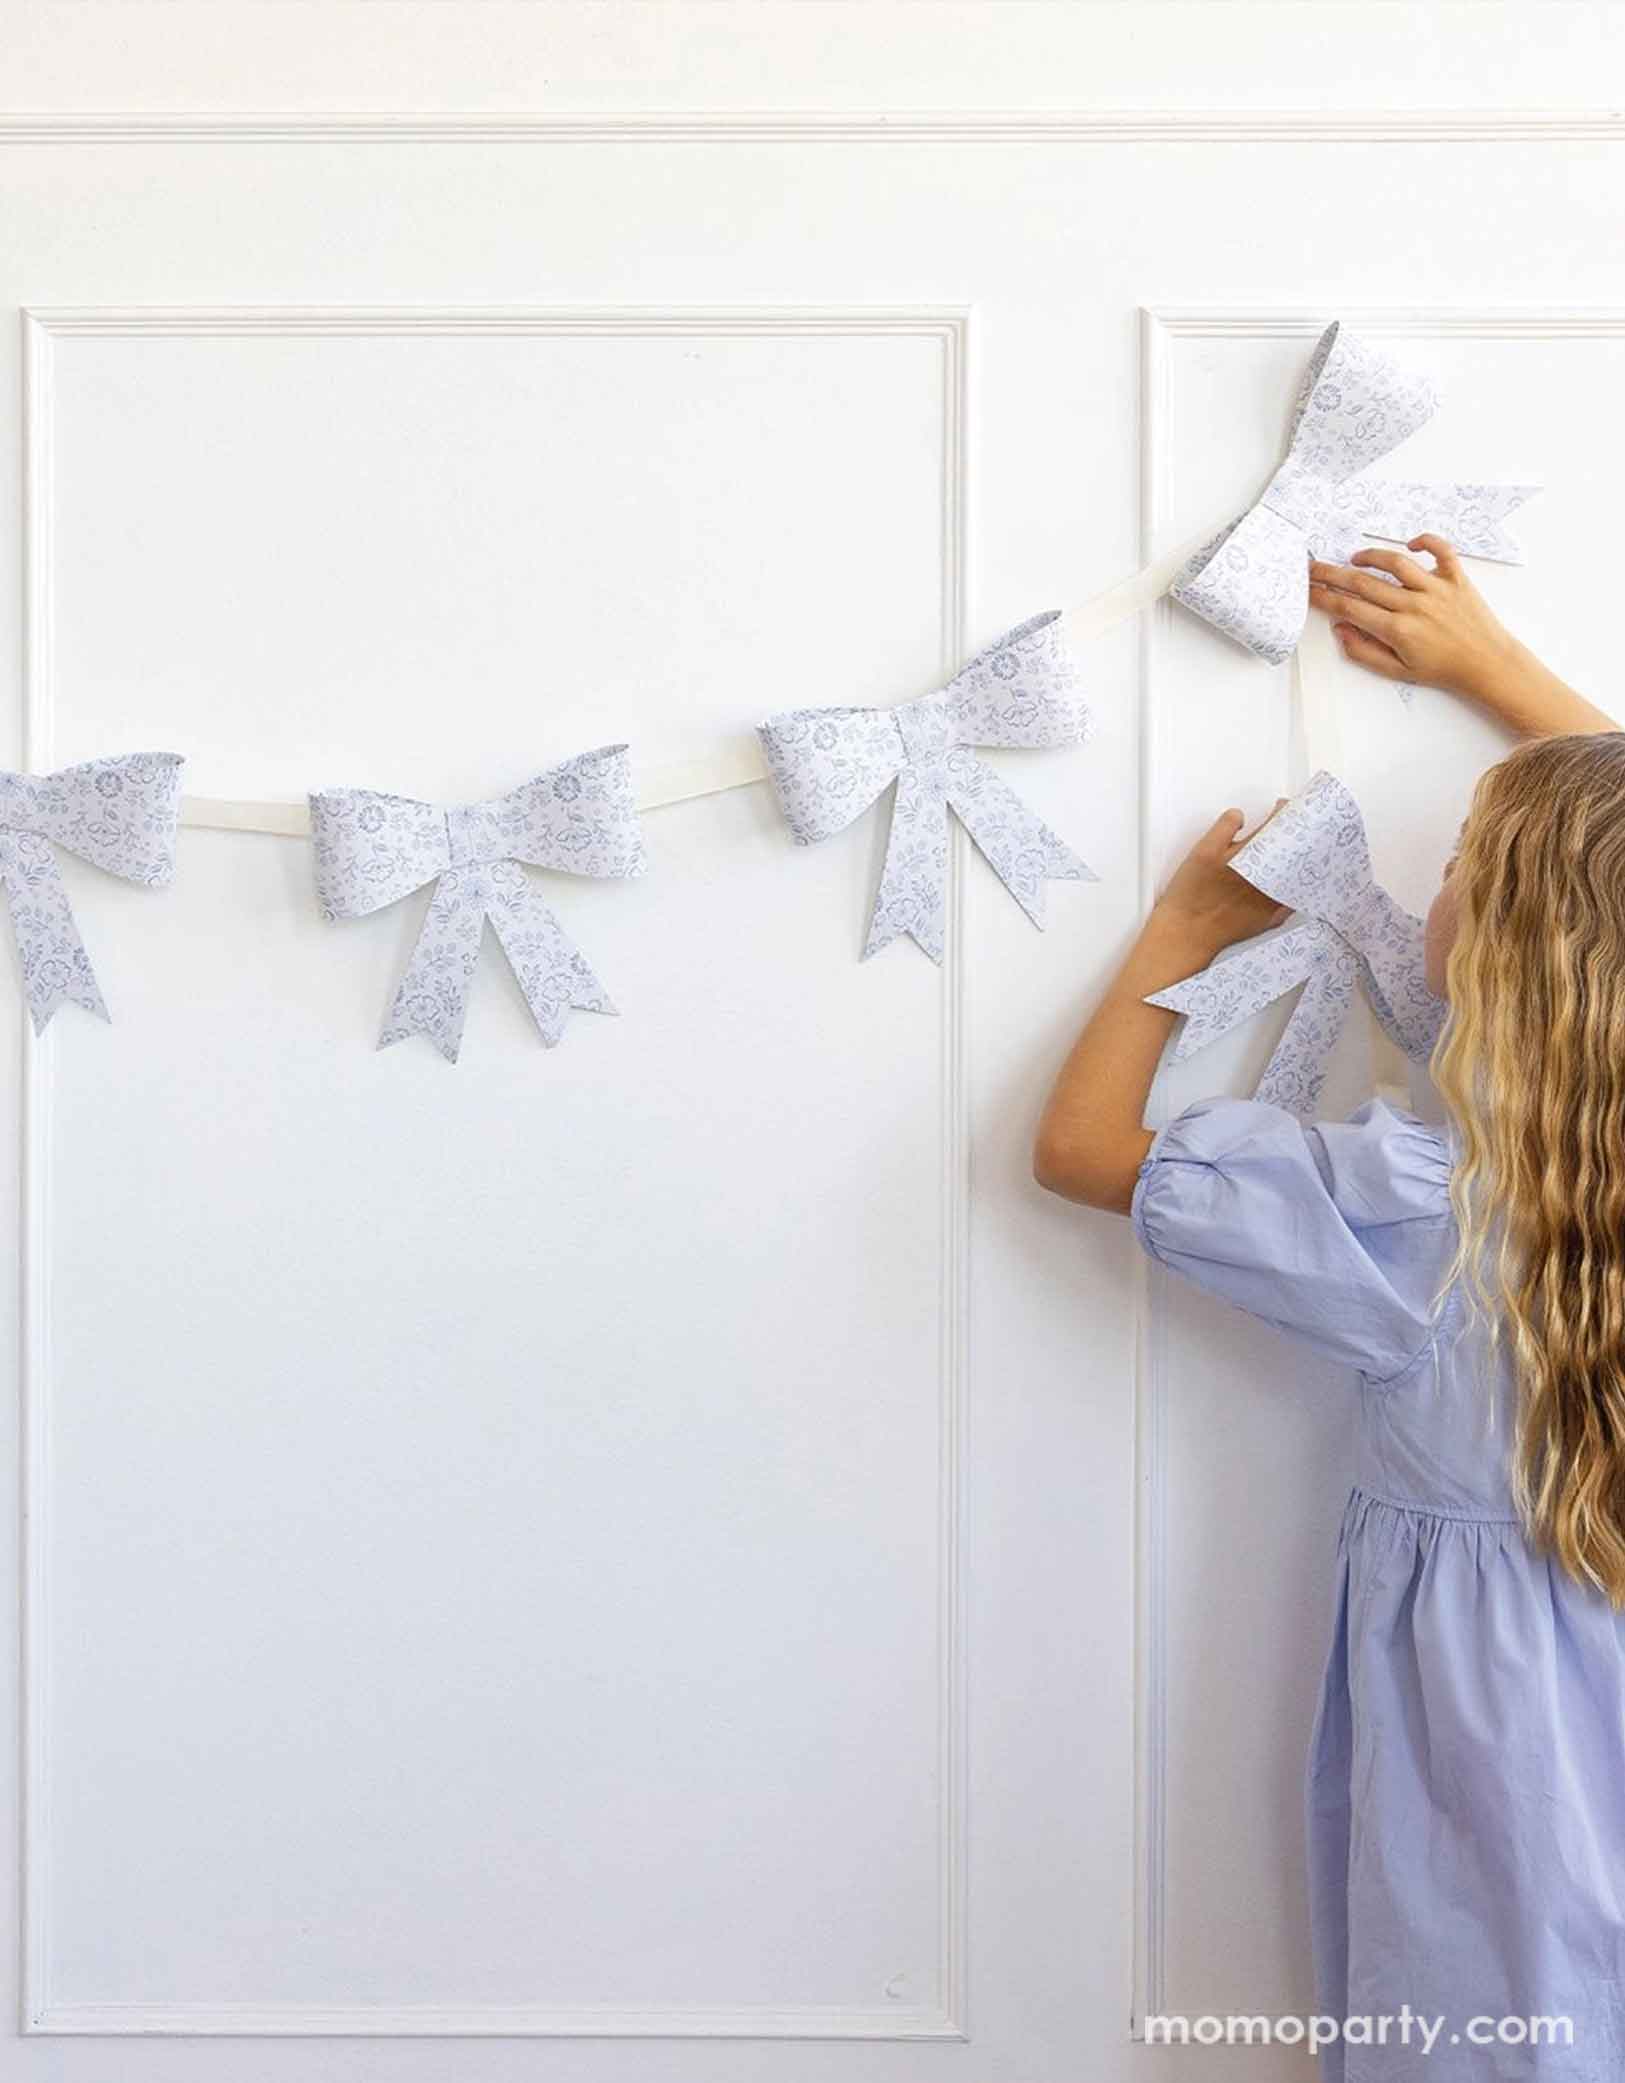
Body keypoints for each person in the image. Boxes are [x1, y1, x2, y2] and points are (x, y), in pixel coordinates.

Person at [1033, 535, 1624, 2082]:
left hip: (1506, 1753)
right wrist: (1494, 673)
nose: (1423, 891)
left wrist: (1178, 939)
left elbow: (1084, 1153)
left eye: (1450, 881)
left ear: (1491, 957)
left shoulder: (1420, 1207)